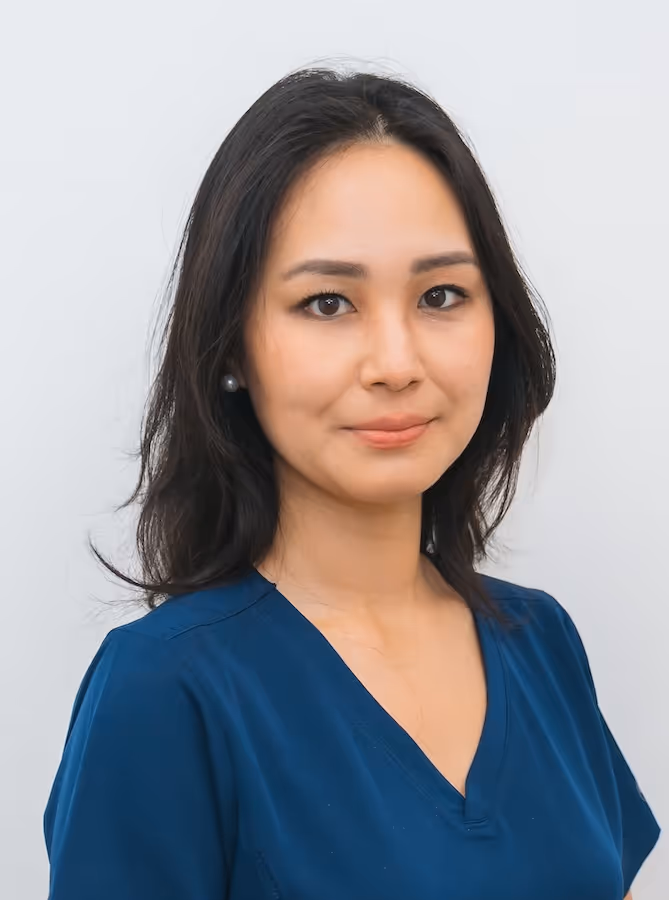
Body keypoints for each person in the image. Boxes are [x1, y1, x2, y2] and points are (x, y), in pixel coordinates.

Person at [44, 65, 660, 899]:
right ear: (230, 347)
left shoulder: (539, 640)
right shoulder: (163, 690)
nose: (395, 364)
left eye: (440, 295)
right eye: (328, 303)